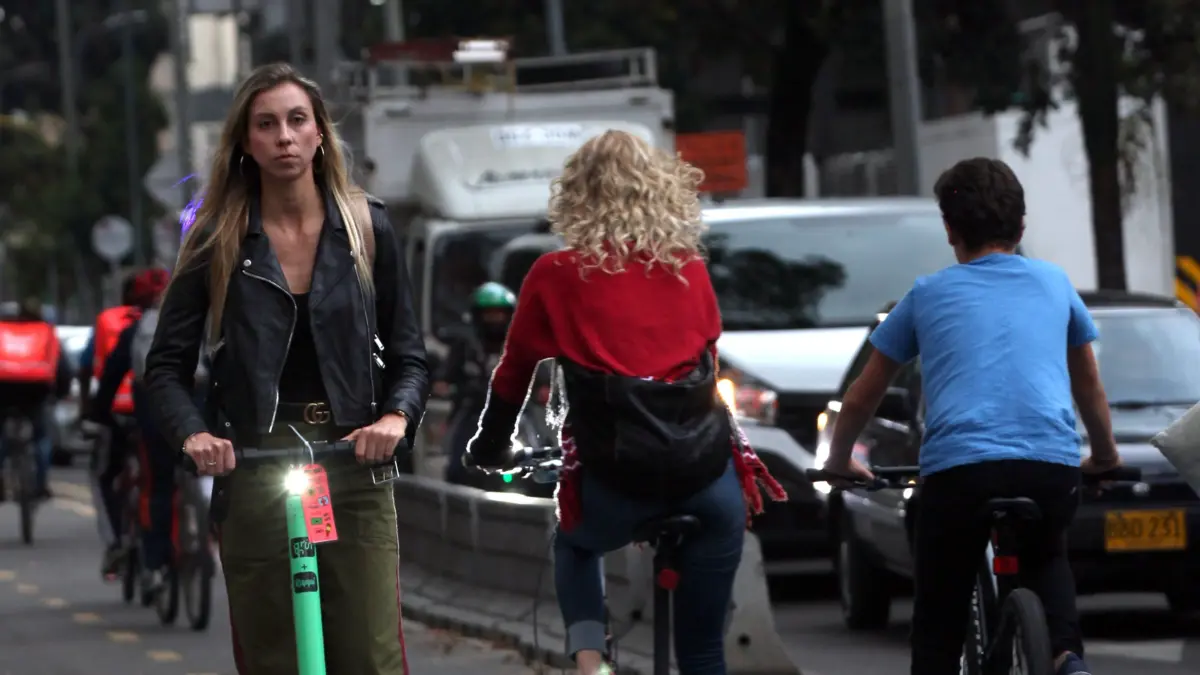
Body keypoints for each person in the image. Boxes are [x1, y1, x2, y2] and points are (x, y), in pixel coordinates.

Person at [143, 62, 429, 675]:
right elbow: (166, 366)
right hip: (254, 465)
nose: (284, 137)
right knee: (273, 656)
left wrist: (396, 419)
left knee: (371, 657)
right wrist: (195, 436)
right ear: (245, 142)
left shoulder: (367, 227)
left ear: (319, 132)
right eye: (266, 124)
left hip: (354, 463)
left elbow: (410, 354)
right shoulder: (215, 236)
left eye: (297, 120)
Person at [465, 130, 786, 675]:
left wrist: (490, 447)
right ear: (661, 190)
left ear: (577, 194)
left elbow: (514, 374)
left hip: (615, 483)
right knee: (704, 652)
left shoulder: (554, 273)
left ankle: (592, 664)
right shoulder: (689, 268)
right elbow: (704, 363)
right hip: (707, 481)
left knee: (574, 545)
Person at [818, 157, 1122, 675]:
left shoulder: (926, 294)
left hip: (959, 474)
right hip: (1048, 467)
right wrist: (1105, 456)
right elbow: (1088, 384)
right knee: (1047, 555)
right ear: (1021, 227)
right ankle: (1066, 658)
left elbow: (863, 394)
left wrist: (839, 460)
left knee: (938, 616)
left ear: (949, 230)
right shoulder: (1055, 284)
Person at [89, 268, 173, 593]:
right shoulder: (201, 318)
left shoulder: (130, 328)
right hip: (201, 411)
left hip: (147, 414)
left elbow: (108, 374)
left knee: (154, 484)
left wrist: (97, 416)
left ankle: (150, 561)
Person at [86, 274, 146, 577]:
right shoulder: (188, 314)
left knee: (104, 476)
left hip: (120, 412)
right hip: (177, 415)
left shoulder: (112, 322)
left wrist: (94, 414)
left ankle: (116, 543)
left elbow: (93, 367)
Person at [436, 281, 516, 486]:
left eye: (499, 314)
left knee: (538, 454)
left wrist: (543, 389)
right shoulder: (465, 345)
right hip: (472, 410)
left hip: (515, 412)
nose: (495, 320)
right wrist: (443, 384)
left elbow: (539, 374)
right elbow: (445, 375)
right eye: (489, 314)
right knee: (456, 464)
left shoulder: (518, 344)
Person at [0, 298, 71, 501]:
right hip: (36, 388)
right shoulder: (46, 332)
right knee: (41, 436)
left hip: (4, 385)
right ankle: (40, 485)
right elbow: (63, 369)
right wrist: (60, 394)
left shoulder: (3, 330)